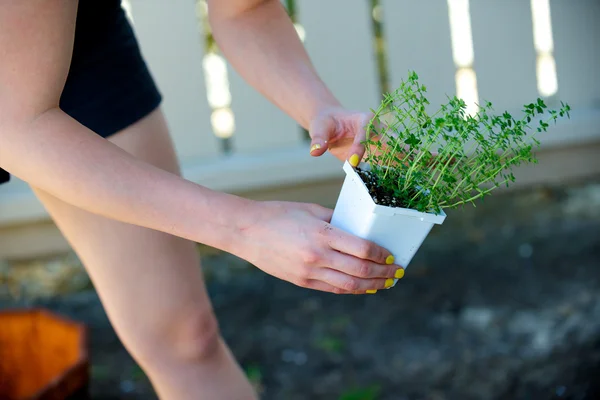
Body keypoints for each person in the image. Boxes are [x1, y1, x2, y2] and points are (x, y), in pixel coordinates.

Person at [0, 1, 404, 398]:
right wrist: (246, 228)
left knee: (184, 336)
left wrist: (321, 110)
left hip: (74, 30)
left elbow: (244, 9)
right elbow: (13, 127)